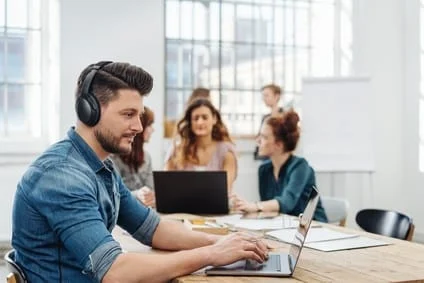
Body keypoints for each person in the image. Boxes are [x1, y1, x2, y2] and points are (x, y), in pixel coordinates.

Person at [11, 61, 268, 283]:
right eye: (128, 114)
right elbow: (114, 272)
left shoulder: (102, 169)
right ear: (89, 111)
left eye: (140, 115)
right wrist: (212, 255)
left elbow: (153, 229)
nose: (138, 126)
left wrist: (224, 243)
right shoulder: (61, 176)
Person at [234, 110, 328, 222]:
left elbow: (287, 202)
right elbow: (268, 210)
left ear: (279, 144)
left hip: (314, 229)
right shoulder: (264, 170)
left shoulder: (300, 166)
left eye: (264, 137)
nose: (258, 140)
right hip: (284, 228)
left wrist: (255, 206)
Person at [165, 98, 237, 191]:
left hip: (215, 205)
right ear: (190, 122)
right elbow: (166, 186)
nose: (200, 122)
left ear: (214, 119)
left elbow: (225, 189)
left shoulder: (226, 152)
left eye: (205, 117)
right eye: (195, 118)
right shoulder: (176, 150)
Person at [111, 106, 155, 207]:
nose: (153, 130)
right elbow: (112, 196)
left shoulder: (147, 157)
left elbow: (151, 191)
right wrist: (136, 195)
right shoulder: (113, 157)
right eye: (149, 124)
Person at [254, 84, 284, 160]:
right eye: (263, 96)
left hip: (278, 156)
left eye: (266, 95)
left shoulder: (285, 117)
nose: (264, 99)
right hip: (266, 155)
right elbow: (259, 137)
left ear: (277, 96)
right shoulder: (265, 117)